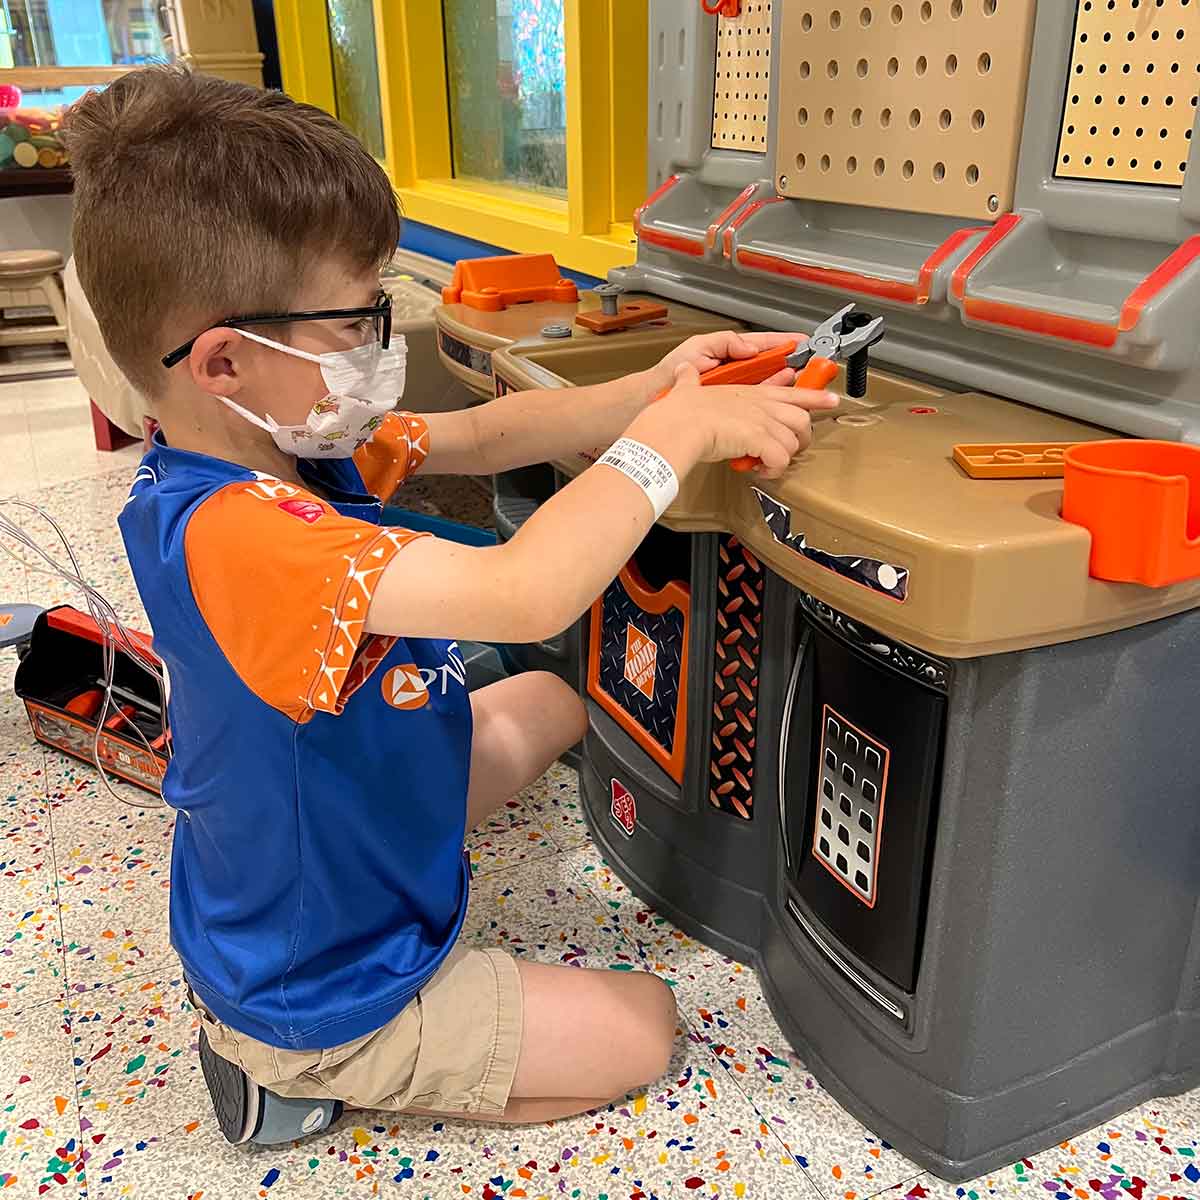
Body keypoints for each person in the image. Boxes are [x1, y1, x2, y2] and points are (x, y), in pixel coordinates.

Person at [63, 67, 835, 1130]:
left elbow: (485, 435)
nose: (382, 343)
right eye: (355, 319)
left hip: (321, 824)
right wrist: (677, 445)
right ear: (227, 361)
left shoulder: (281, 446)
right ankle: (294, 1074)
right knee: (645, 1028)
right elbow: (525, 592)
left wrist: (662, 390)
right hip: (323, 986)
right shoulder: (248, 537)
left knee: (557, 706)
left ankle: (366, 947)